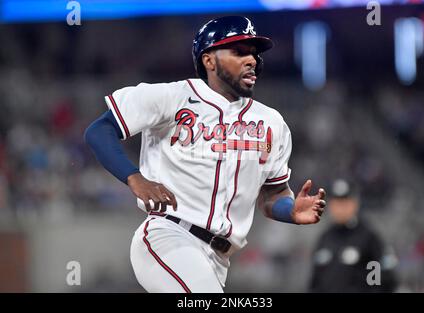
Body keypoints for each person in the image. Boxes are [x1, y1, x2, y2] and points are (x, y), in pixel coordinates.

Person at [84, 16, 326, 293]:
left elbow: (273, 194)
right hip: (169, 236)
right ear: (209, 60)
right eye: (239, 52)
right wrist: (134, 178)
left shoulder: (272, 123)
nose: (251, 60)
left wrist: (291, 210)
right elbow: (99, 130)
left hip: (219, 257)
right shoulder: (171, 97)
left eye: (254, 53)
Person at [308, 178, 397, 293]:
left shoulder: (369, 239)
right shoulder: (324, 239)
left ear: (355, 204)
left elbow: (382, 282)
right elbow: (315, 283)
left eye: (345, 203)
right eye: (336, 203)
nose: (340, 209)